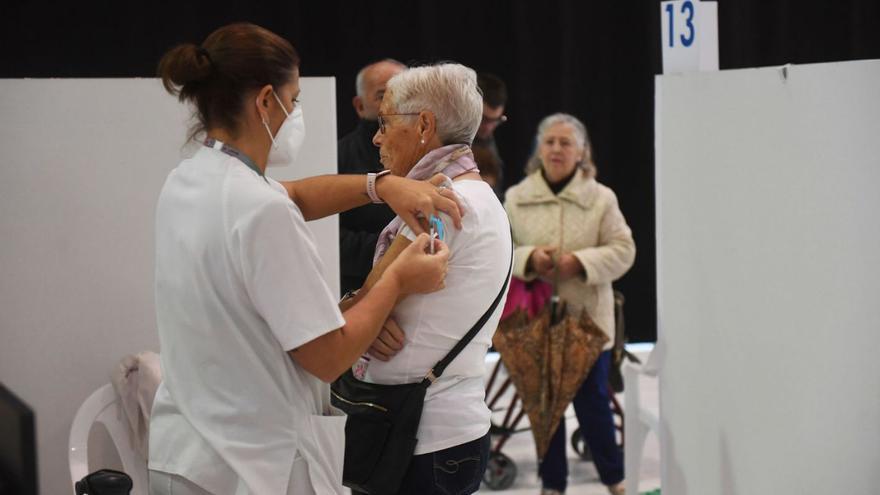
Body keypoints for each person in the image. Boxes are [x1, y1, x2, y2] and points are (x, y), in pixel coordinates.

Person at [149, 23, 461, 495]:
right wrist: (398, 280)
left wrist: (380, 185)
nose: (295, 113)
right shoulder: (260, 212)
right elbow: (328, 356)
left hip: (190, 450)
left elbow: (294, 193)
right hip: (250, 465)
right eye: (293, 102)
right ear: (266, 101)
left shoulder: (190, 178)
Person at [342, 63, 512, 495]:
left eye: (384, 122)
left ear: (424, 125)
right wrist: (367, 312)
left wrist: (363, 309)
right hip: (435, 431)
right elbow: (368, 313)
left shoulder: (443, 203)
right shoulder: (468, 194)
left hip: (420, 438)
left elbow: (359, 314)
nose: (377, 137)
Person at [504, 113, 635, 495]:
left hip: (587, 323)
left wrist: (580, 263)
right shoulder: (516, 198)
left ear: (582, 152)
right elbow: (499, 253)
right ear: (538, 149)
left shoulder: (601, 198)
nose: (557, 149)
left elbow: (625, 251)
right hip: (532, 322)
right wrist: (528, 259)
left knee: (593, 405)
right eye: (550, 142)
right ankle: (552, 484)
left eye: (566, 143)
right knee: (544, 409)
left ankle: (615, 479)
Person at [338, 59, 406, 295]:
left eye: (402, 94)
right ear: (359, 106)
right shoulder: (337, 158)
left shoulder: (429, 154)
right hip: (359, 292)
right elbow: (328, 238)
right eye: (382, 95)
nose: (393, 104)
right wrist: (396, 249)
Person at [473, 72, 508, 194]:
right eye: (484, 119)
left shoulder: (489, 141)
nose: (489, 127)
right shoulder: (449, 140)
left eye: (495, 120)